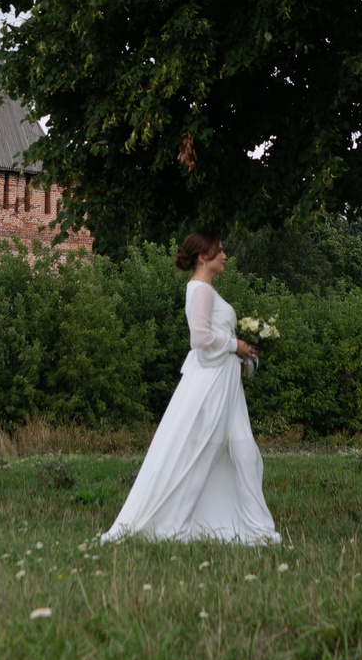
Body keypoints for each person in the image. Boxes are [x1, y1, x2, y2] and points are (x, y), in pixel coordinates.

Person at [101, 231, 282, 545]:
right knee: (203, 452)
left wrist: (238, 349)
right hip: (211, 382)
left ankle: (260, 530)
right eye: (220, 250)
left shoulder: (208, 290)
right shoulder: (199, 289)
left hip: (227, 382)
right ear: (203, 256)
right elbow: (199, 340)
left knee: (245, 452)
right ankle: (176, 527)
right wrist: (234, 343)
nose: (225, 256)